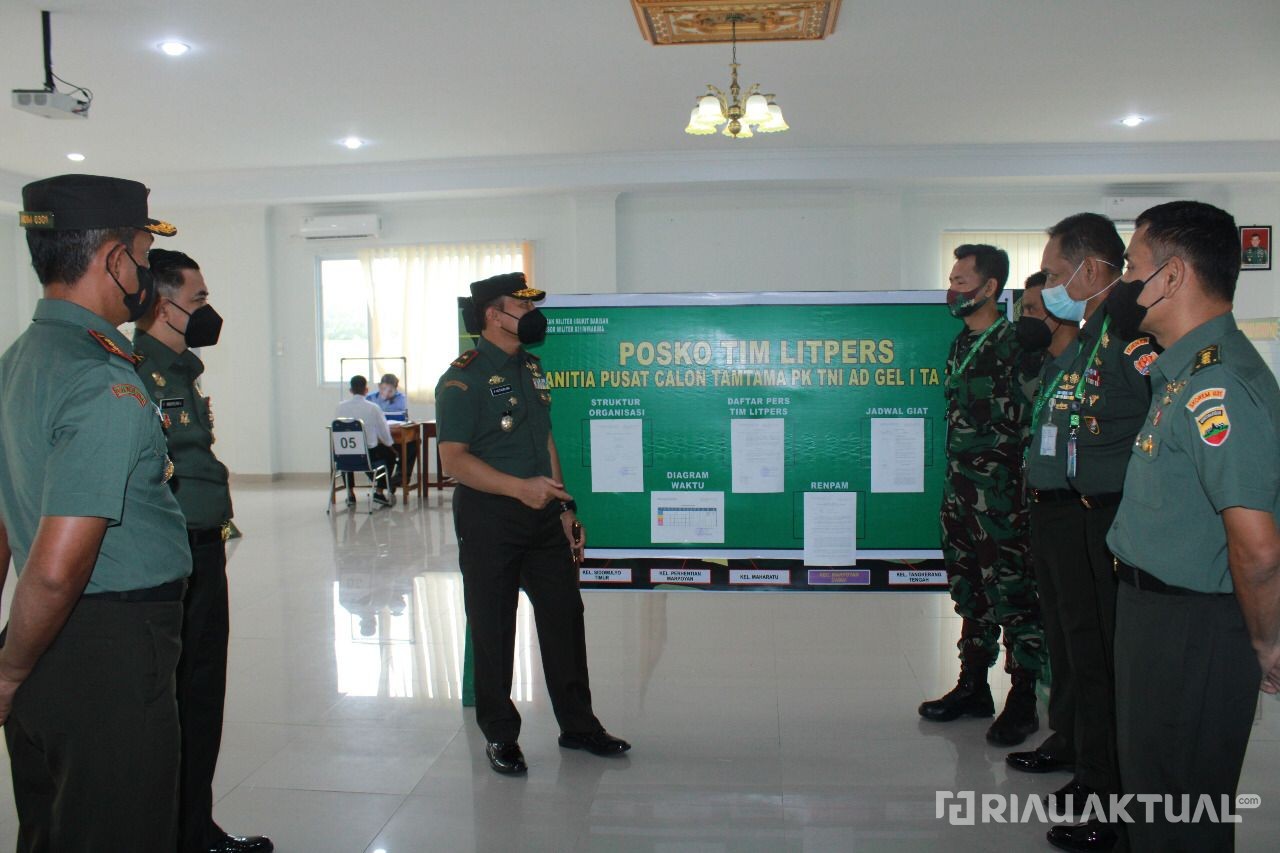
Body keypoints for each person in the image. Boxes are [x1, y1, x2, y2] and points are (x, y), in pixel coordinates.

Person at [0, 174, 189, 851]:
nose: (144, 272)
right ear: (115, 259)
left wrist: (13, 658)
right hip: (105, 645)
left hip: (41, 638)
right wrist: (8, 672)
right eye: (141, 253)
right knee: (118, 827)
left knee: (53, 823)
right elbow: (54, 572)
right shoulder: (100, 380)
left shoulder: (18, 361)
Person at [1106, 201, 1280, 852]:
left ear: (1173, 277)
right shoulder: (1180, 373)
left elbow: (1258, 547)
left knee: (1183, 814)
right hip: (1156, 616)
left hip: (1194, 629)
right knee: (1154, 801)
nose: (1125, 283)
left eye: (1132, 266)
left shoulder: (1220, 385)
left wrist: (1266, 642)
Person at [435, 271, 629, 775]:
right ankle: (500, 735)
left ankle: (579, 725)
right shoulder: (462, 378)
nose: (532, 317)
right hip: (489, 518)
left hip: (542, 514)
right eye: (520, 308)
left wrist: (564, 508)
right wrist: (519, 488)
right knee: (494, 627)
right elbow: (453, 460)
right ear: (492, 316)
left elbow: (544, 441)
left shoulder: (533, 368)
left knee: (565, 619)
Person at [1015, 213, 1159, 853]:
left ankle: (1109, 790)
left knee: (1101, 659)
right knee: (1078, 649)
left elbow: (1165, 423)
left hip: (1103, 518)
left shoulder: (1129, 340)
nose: (1047, 288)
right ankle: (1092, 768)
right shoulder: (1091, 341)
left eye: (1051, 274)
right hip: (1067, 515)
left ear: (1091, 269)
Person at [133, 249, 273, 853]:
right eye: (198, 300)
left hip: (202, 546)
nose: (207, 312)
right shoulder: (139, 371)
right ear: (164, 306)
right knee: (180, 693)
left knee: (202, 691)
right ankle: (175, 829)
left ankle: (194, 826)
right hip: (173, 551)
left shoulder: (181, 369)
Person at [919, 245, 1047, 747]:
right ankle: (973, 685)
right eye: (951, 278)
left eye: (963, 280)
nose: (954, 288)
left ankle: (1022, 695)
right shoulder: (958, 344)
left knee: (1013, 592)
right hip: (961, 493)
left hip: (1002, 498)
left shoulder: (1016, 343)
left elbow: (1035, 423)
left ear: (991, 287)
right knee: (970, 588)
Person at [335, 375, 398, 507]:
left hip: (344, 456)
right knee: (390, 455)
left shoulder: (340, 407)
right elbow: (384, 433)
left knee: (348, 454)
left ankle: (350, 494)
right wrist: (391, 445)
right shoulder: (372, 407)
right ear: (366, 390)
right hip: (368, 455)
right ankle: (379, 492)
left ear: (350, 390)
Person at [366, 373, 417, 486]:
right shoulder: (370, 398)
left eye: (391, 391)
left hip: (395, 433)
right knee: (384, 450)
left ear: (396, 389)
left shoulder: (401, 398)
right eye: (384, 389)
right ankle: (384, 482)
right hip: (377, 437)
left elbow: (402, 417)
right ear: (379, 386)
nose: (387, 393)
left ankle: (401, 476)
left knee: (413, 444)